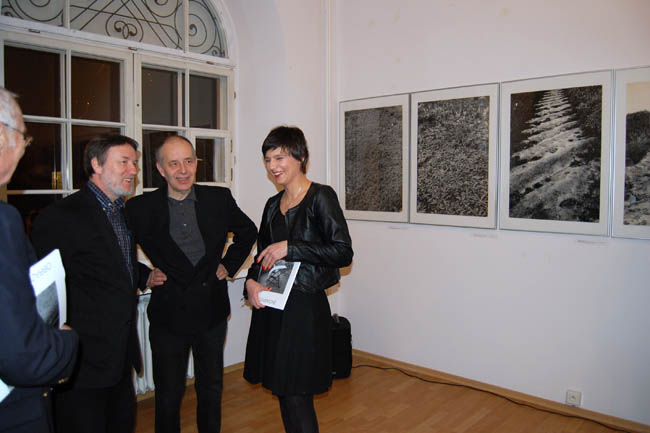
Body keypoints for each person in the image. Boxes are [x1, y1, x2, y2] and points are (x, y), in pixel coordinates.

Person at [30, 134, 167, 433]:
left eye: (134, 163)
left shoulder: (120, 211)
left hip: (119, 357)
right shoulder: (61, 217)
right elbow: (40, 286)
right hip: (83, 361)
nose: (133, 170)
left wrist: (144, 275)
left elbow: (113, 262)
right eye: (124, 162)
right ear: (96, 164)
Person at [125, 135, 257, 433]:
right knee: (168, 394)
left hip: (211, 311)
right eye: (174, 163)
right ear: (160, 169)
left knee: (211, 388)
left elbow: (248, 231)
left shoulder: (219, 199)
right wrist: (144, 275)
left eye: (188, 161)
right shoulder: (139, 208)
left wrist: (229, 265)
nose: (183, 170)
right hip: (167, 315)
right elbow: (117, 251)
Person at [243, 126, 353, 433]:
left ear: (300, 157)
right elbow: (262, 255)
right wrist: (250, 283)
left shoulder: (321, 197)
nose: (273, 166)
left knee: (297, 395)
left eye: (279, 158)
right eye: (268, 159)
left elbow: (343, 252)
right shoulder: (271, 205)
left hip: (304, 310)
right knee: (283, 391)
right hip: (273, 308)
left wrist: (292, 248)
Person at [0, 88, 78, 433]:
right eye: (24, 137)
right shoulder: (3, 221)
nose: (24, 149)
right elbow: (25, 357)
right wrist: (66, 341)